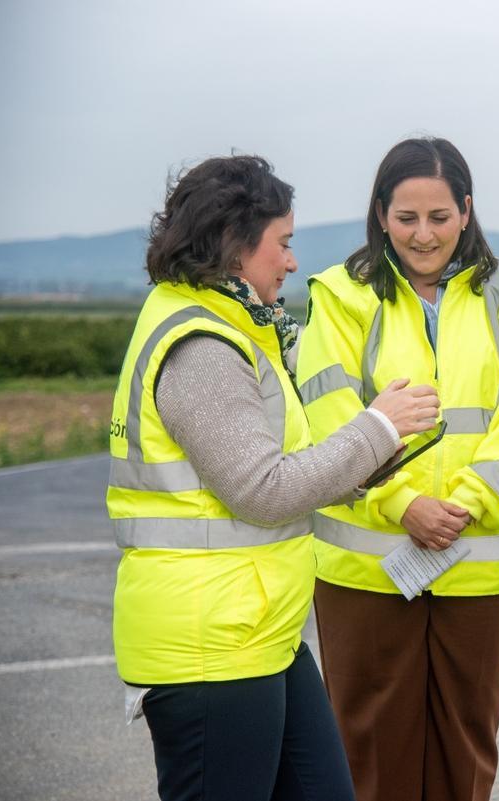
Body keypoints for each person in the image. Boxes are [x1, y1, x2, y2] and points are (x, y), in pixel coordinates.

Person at [108, 154, 441, 801]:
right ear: (235, 244)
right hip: (212, 649)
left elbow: (284, 469)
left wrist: (373, 457)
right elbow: (261, 489)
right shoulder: (201, 345)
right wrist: (375, 427)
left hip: (261, 636)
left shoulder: (237, 324)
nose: (292, 261)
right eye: (283, 243)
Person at [294, 137, 499, 801]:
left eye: (439, 217)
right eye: (406, 217)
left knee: (464, 749)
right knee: (368, 750)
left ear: (467, 211)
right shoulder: (340, 296)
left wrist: (466, 503)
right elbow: (329, 415)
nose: (423, 234)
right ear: (380, 214)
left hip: (479, 562)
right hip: (367, 566)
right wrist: (401, 503)